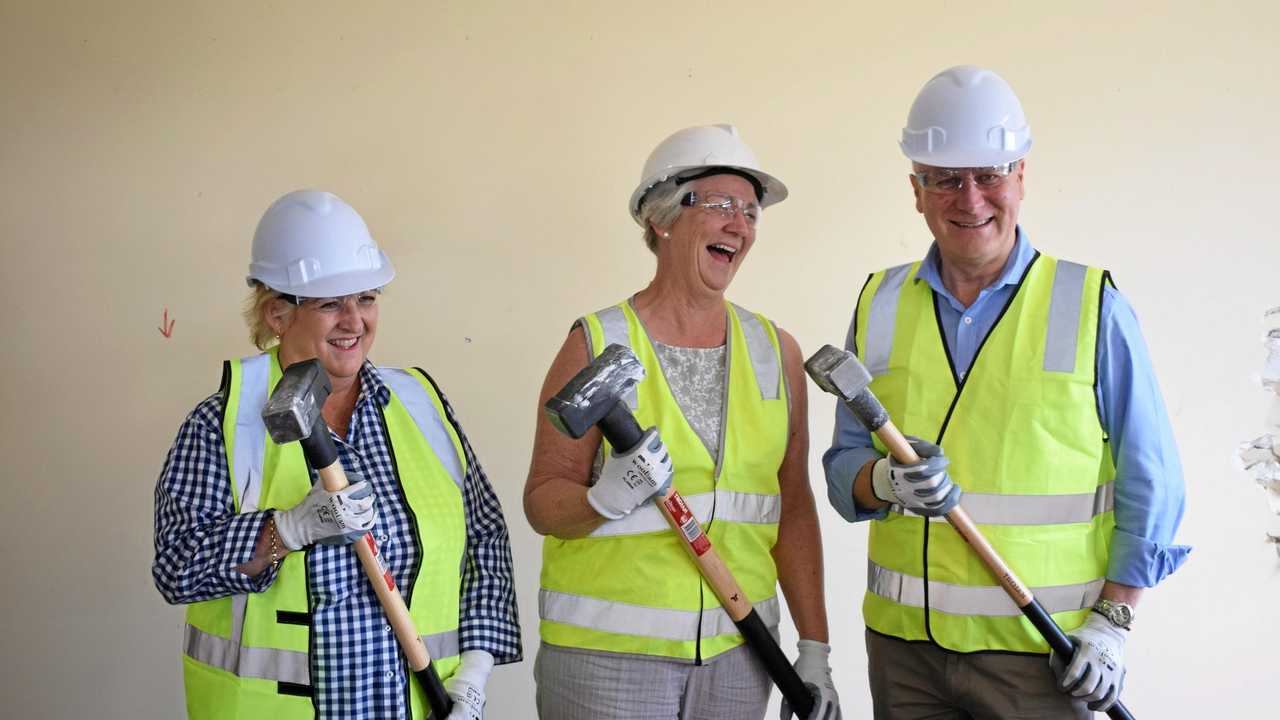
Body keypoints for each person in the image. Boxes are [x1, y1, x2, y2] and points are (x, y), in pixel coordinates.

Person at [822, 66, 1190, 718]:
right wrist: (882, 481)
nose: (970, 199)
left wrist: (1111, 624)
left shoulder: (1090, 305)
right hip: (904, 653)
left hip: (1042, 654)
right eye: (945, 179)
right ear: (916, 191)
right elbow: (842, 470)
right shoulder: (878, 302)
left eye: (989, 175)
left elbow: (1152, 481)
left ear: (1021, 177)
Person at [152, 189, 521, 719]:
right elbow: (176, 565)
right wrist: (286, 531)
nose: (354, 321)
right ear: (277, 313)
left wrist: (476, 674)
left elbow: (484, 537)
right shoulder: (223, 423)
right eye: (330, 304)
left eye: (366, 298)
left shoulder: (421, 405)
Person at [524, 124, 841, 720]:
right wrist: (604, 499)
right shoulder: (597, 342)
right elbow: (543, 501)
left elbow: (793, 506)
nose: (738, 224)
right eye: (719, 205)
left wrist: (815, 650)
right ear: (661, 218)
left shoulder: (777, 352)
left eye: (749, 212)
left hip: (741, 654)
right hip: (607, 660)